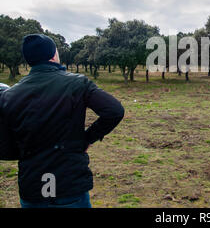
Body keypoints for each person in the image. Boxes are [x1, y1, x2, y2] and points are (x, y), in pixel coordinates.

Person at [0, 34, 125, 208]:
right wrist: (87, 138)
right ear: (53, 56)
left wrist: (26, 150)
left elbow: (5, 148)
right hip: (69, 185)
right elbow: (114, 111)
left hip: (33, 187)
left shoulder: (8, 96)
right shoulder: (77, 84)